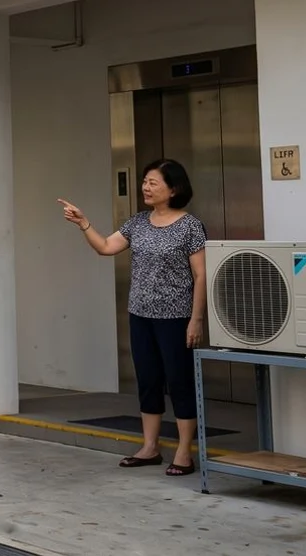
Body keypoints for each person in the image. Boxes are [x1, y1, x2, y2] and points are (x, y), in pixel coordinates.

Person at [58, 158, 207, 476]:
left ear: (174, 189)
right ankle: (150, 447)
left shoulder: (190, 226)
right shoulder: (137, 222)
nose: (146, 187)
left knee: (179, 382)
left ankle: (184, 451)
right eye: (144, 181)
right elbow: (107, 247)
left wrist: (197, 318)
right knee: (148, 380)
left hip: (176, 316)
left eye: (153, 182)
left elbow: (201, 275)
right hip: (140, 314)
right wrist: (84, 223)